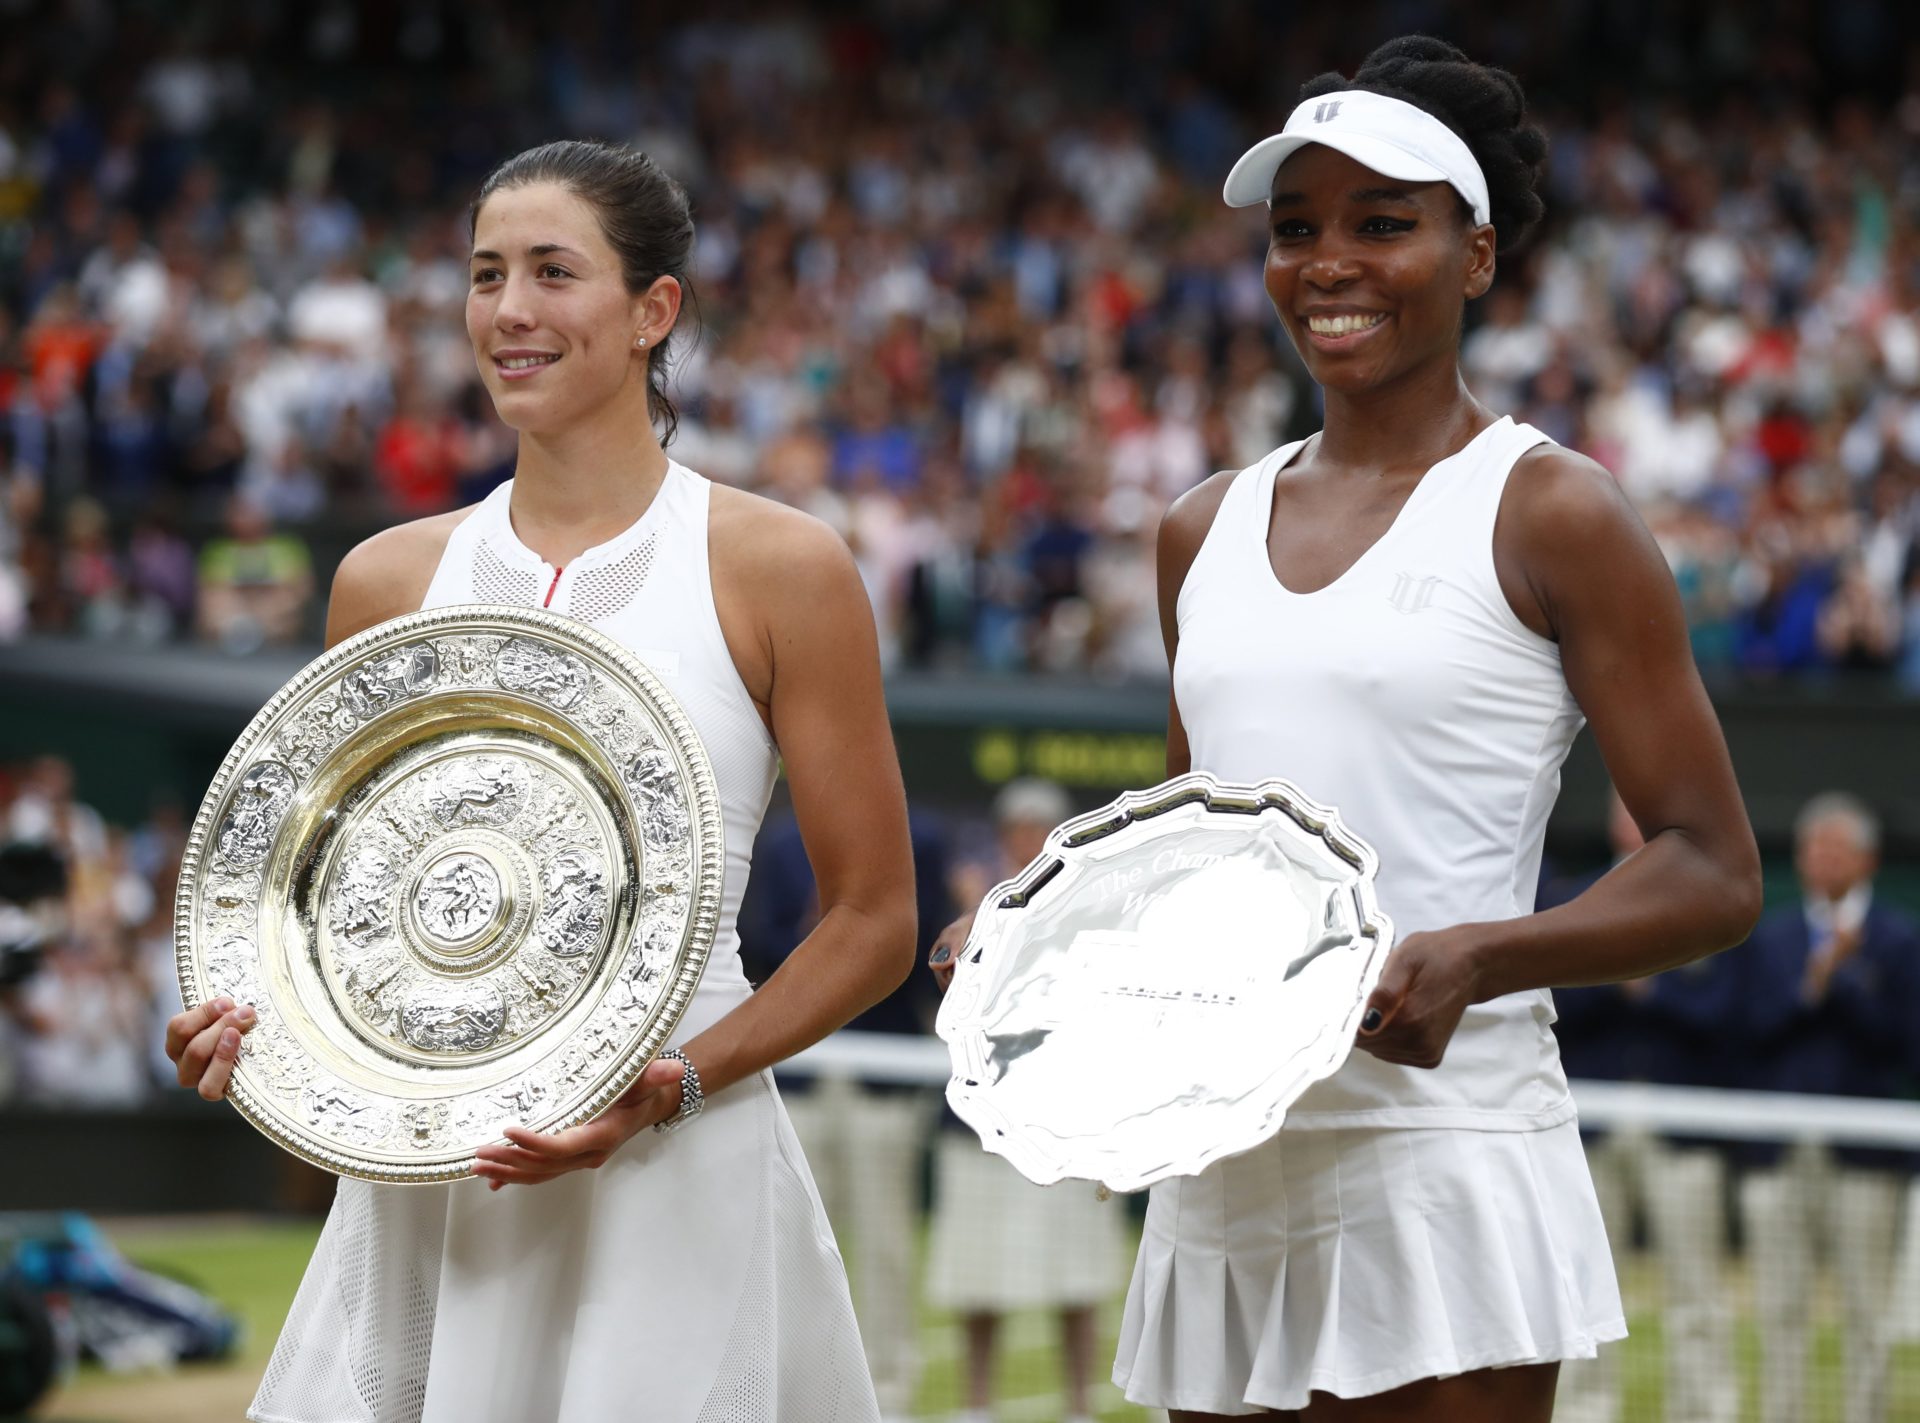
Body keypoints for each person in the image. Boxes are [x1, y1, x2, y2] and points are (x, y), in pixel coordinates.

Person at [929, 38, 1760, 1422]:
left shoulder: (1554, 510)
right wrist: (1042, 948)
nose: (1330, 262)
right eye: (1297, 229)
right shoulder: (1199, 527)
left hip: (1445, 1147)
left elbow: (1716, 869)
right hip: (1228, 1153)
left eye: (1385, 224)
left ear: (1477, 256)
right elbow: (1210, 861)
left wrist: (1482, 954)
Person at [164, 139, 917, 1422]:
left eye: (554, 273)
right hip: (429, 1174)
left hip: (678, 1159)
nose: (508, 312)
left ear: (652, 312)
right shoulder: (384, 580)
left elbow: (875, 920)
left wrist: (667, 1083)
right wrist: (256, 1023)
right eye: (484, 275)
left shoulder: (779, 563)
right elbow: (351, 904)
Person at [924, 778, 1126, 1423]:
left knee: (1079, 1272)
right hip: (983, 1120)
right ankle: (978, 1406)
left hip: (1067, 1119)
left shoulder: (1096, 905)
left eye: (1040, 825)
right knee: (977, 1273)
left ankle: (1078, 1407)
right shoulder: (971, 906)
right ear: (1005, 833)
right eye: (1018, 826)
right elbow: (954, 998)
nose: (1027, 838)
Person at [1544, 791, 1740, 1423]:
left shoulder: (1706, 899)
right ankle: (1585, 1413)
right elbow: (1552, 1005)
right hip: (1591, 1126)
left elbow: (1728, 1015)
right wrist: (1619, 980)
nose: (1632, 819)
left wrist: (1647, 988)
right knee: (1586, 1287)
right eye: (1622, 808)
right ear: (1609, 821)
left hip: (1682, 1128)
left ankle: (1705, 1411)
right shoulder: (1574, 897)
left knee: (1696, 1291)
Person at [1737, 792, 1918, 1423]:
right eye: (1813, 847)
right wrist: (1815, 984)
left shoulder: (1898, 941)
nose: (1823, 859)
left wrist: (1843, 986)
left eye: (1837, 848)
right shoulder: (1775, 936)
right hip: (1780, 1152)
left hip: (1864, 1156)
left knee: (1867, 1309)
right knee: (1780, 1308)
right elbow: (1752, 1030)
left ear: (1867, 861)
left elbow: (1903, 1047)